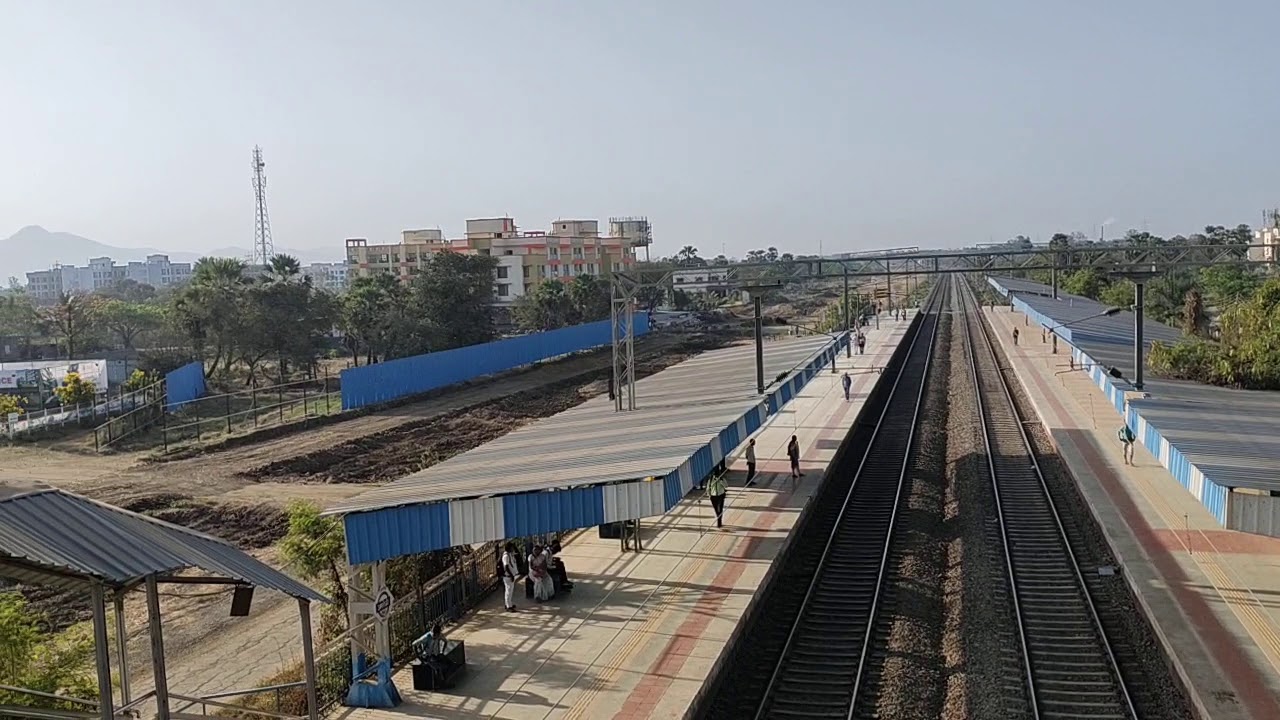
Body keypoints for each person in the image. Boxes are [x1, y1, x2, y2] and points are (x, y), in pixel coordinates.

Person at [500, 543, 519, 612]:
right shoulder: (506, 556)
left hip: (510, 575)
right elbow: (506, 567)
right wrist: (511, 575)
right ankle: (508, 606)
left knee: (510, 591)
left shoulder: (509, 554)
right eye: (512, 547)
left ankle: (509, 603)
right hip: (508, 576)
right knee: (508, 591)